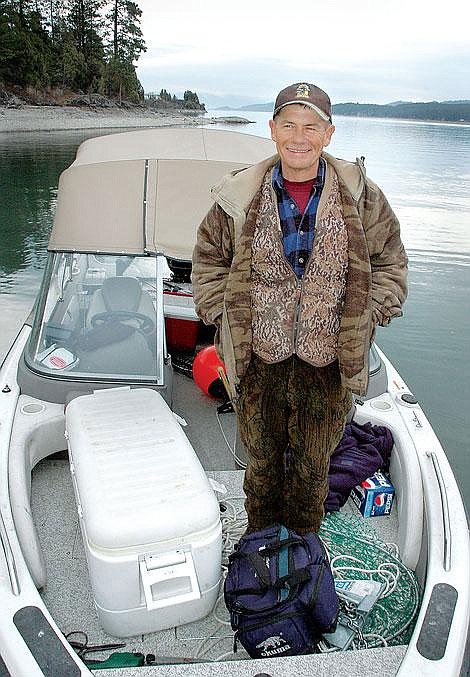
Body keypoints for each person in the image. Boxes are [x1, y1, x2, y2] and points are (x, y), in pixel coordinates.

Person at [192, 82, 408, 534]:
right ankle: (261, 547)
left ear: (329, 134)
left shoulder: (363, 197)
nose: (298, 136)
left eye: (311, 126)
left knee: (313, 470)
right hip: (257, 358)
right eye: (288, 124)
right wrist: (219, 313)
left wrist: (372, 315)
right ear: (272, 129)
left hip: (328, 362)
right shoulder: (239, 197)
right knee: (262, 463)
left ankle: (304, 550)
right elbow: (209, 258)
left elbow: (391, 260)